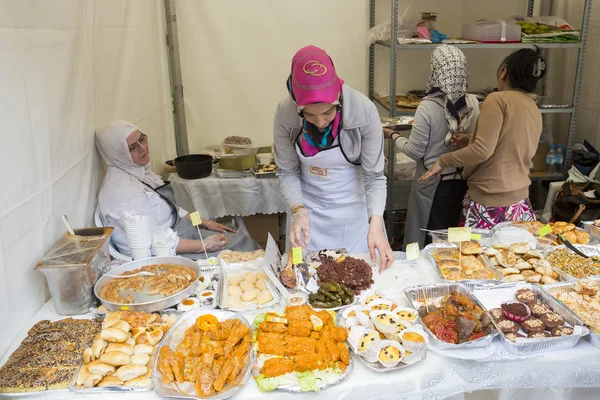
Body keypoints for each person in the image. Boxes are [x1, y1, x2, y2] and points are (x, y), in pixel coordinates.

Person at [273, 45, 394, 269]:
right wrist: (298, 211)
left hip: (356, 216)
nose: (320, 122)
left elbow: (374, 177)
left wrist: (375, 224)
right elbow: (288, 172)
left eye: (328, 112)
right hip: (309, 216)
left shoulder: (363, 111)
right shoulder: (285, 113)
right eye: (309, 115)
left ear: (338, 98)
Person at [419, 48, 546, 228]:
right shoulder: (532, 106)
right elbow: (509, 143)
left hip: (489, 202)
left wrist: (444, 160)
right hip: (519, 203)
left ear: (504, 73)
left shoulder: (497, 100)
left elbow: (482, 150)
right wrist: (471, 139)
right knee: (511, 254)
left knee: (477, 254)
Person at [96, 120, 260, 258]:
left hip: (181, 234)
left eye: (142, 139)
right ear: (117, 153)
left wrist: (205, 222)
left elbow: (175, 211)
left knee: (244, 241)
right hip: (167, 252)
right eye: (132, 147)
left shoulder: (139, 172)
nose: (143, 148)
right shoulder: (122, 192)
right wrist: (203, 245)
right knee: (244, 251)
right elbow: (154, 241)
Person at [384, 45, 480, 248]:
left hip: (433, 184)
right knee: (454, 241)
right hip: (463, 182)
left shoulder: (427, 107)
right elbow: (474, 141)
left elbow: (414, 151)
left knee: (428, 241)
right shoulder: (473, 103)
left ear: (435, 71)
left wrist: (392, 135)